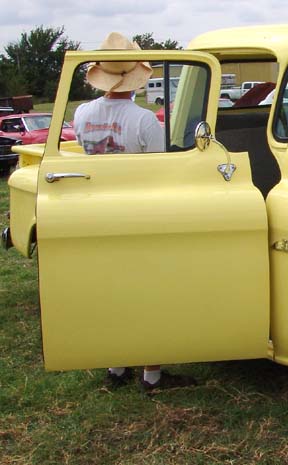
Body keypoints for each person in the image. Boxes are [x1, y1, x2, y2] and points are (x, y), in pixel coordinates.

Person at [75, 32, 196, 391]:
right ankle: (152, 374)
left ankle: (116, 367)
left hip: (97, 213)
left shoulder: (82, 114)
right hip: (139, 214)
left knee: (113, 294)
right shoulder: (143, 120)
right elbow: (163, 172)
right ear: (135, 78)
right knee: (150, 295)